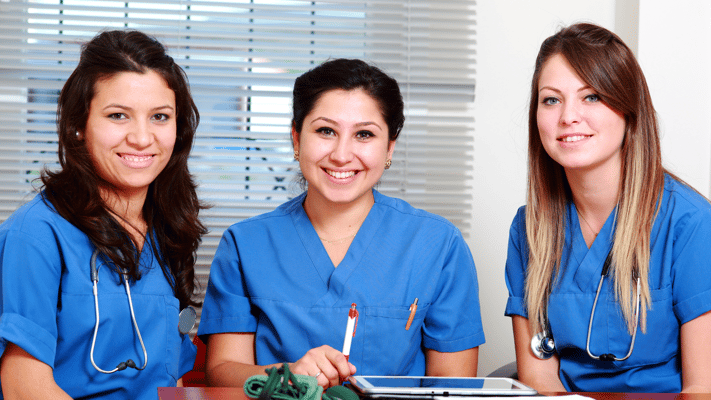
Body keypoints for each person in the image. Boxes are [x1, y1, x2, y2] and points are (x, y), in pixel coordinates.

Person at [198, 58, 485, 389]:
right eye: (325, 131)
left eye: (364, 134)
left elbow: (453, 384)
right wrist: (286, 376)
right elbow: (221, 371)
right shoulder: (245, 244)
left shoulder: (438, 245)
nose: (341, 154)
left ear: (389, 147)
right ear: (296, 138)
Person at [504, 22, 711, 393]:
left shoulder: (690, 224)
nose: (568, 116)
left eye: (592, 97)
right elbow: (540, 382)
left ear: (629, 110)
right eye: (551, 99)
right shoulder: (528, 229)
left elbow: (703, 390)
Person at [0, 30, 207, 399]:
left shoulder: (167, 230)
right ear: (78, 126)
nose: (143, 138)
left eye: (160, 116)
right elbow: (22, 386)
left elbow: (169, 377)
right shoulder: (35, 235)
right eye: (118, 116)